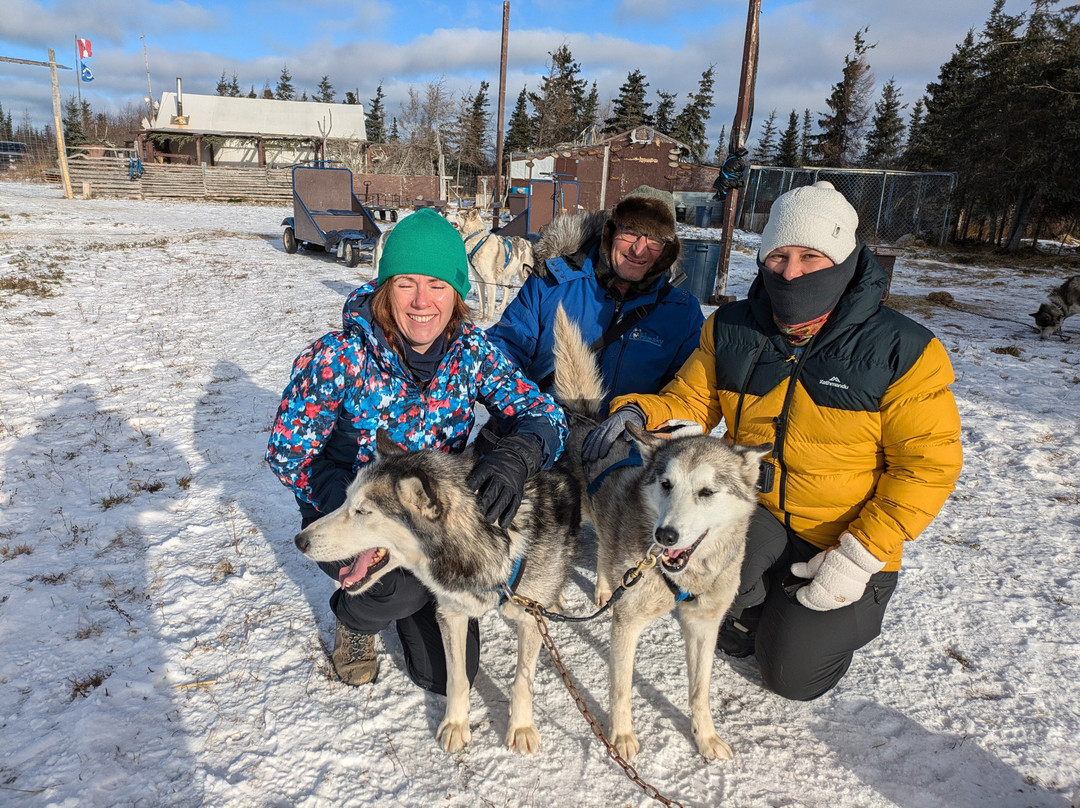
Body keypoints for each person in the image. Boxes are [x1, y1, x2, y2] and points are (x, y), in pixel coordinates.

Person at [589, 181, 964, 701]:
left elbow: (927, 469)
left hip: (847, 530)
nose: (790, 272)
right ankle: (759, 610)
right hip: (761, 511)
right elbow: (691, 400)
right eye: (779, 256)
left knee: (792, 677)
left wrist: (861, 555)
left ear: (845, 258)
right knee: (712, 600)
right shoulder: (733, 328)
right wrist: (640, 408)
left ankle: (809, 622)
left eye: (811, 257)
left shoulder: (902, 349)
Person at [266, 208, 567, 694]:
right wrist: (353, 506)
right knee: (397, 587)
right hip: (354, 516)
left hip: (435, 522)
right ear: (387, 288)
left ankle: (418, 591)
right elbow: (287, 454)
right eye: (406, 283)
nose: (422, 301)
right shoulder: (338, 358)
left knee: (448, 679)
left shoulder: (472, 352)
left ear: (457, 293)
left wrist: (518, 455)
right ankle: (357, 617)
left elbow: (547, 415)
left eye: (437, 285)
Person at [484, 185, 706, 418]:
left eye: (655, 238)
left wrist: (641, 415)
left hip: (626, 447)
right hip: (543, 440)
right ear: (610, 231)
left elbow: (688, 397)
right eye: (630, 230)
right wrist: (530, 414)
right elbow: (503, 352)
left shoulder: (682, 314)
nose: (639, 249)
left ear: (667, 249)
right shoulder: (552, 282)